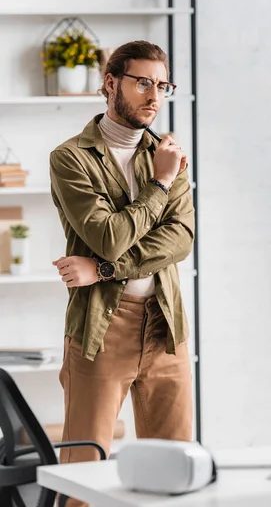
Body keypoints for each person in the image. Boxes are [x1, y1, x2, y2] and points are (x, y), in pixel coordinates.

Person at [49, 40, 194, 507]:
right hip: (102, 329)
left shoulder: (167, 153)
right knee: (83, 480)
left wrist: (104, 269)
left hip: (165, 325)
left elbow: (180, 241)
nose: (154, 95)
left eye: (162, 84)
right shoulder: (71, 158)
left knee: (176, 474)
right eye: (143, 82)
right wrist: (159, 184)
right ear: (111, 84)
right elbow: (108, 234)